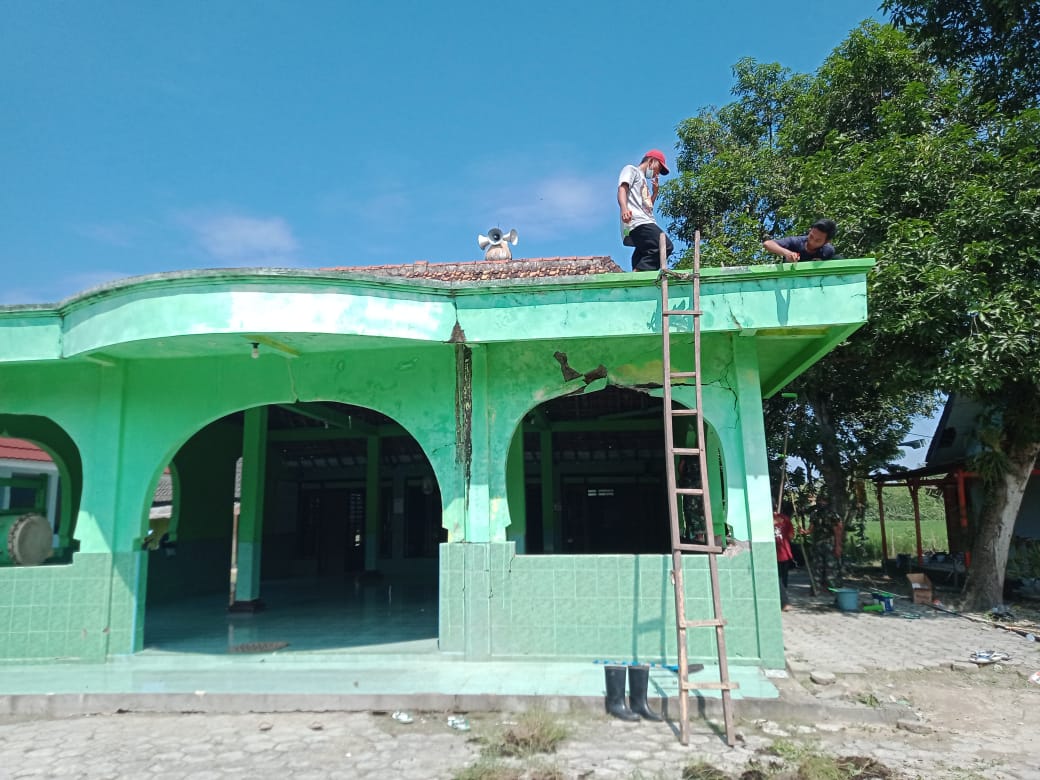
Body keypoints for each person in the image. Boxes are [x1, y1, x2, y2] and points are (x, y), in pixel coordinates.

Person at [617, 150, 675, 271]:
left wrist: (655, 193)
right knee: (665, 246)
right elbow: (622, 188)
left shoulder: (644, 183)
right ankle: (639, 271)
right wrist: (624, 208)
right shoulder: (632, 170)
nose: (657, 173)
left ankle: (636, 276)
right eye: (658, 168)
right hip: (637, 220)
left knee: (645, 253)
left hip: (644, 218)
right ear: (651, 161)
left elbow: (647, 208)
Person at [763, 219, 837, 263]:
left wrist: (822, 264)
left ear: (826, 242)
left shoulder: (828, 251)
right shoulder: (795, 242)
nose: (812, 242)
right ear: (810, 231)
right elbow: (768, 244)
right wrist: (787, 253)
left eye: (818, 240)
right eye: (811, 236)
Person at [774, 499, 795, 611]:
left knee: (778, 578)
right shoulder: (785, 519)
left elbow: (791, 535)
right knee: (783, 578)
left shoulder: (764, 520)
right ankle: (784, 600)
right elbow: (791, 536)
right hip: (784, 553)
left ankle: (783, 601)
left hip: (777, 553)